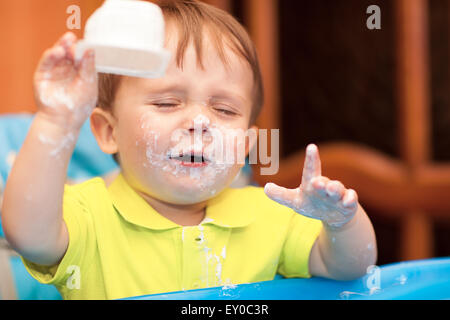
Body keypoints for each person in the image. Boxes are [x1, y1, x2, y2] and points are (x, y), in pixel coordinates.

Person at [1, 0, 376, 300]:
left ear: (245, 146)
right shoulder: (88, 217)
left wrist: (341, 223)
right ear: (108, 131)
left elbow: (349, 267)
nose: (200, 121)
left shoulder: (270, 215)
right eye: (167, 103)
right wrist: (57, 122)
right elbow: (27, 234)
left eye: (224, 109)